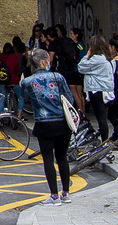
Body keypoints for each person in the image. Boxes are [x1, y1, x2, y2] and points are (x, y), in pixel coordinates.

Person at [21, 48, 77, 205]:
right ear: (44, 61)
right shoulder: (57, 77)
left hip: (43, 122)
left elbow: (25, 97)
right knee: (62, 157)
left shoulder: (27, 81)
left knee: (48, 159)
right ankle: (66, 192)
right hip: (61, 122)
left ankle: (54, 195)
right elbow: (69, 98)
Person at [76, 35, 113, 140]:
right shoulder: (109, 58)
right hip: (106, 89)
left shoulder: (96, 58)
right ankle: (104, 138)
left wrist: (87, 55)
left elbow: (81, 67)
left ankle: (104, 140)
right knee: (102, 117)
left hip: (96, 89)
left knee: (100, 117)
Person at [0, 38, 25, 114]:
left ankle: (0, 115)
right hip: (13, 81)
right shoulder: (14, 57)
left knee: (2, 98)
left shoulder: (0, 57)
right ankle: (19, 114)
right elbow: (17, 68)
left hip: (2, 81)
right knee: (21, 97)